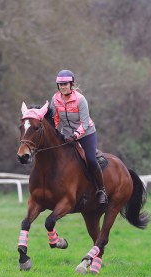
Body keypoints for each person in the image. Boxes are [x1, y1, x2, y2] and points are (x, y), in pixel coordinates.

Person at [48, 69, 108, 204]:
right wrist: (53, 132)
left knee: (91, 160)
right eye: (60, 85)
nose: (63, 87)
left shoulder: (80, 99)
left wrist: (75, 135)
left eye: (65, 84)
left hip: (86, 133)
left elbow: (85, 123)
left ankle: (101, 190)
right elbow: (55, 119)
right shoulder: (55, 99)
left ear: (71, 84)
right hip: (67, 134)